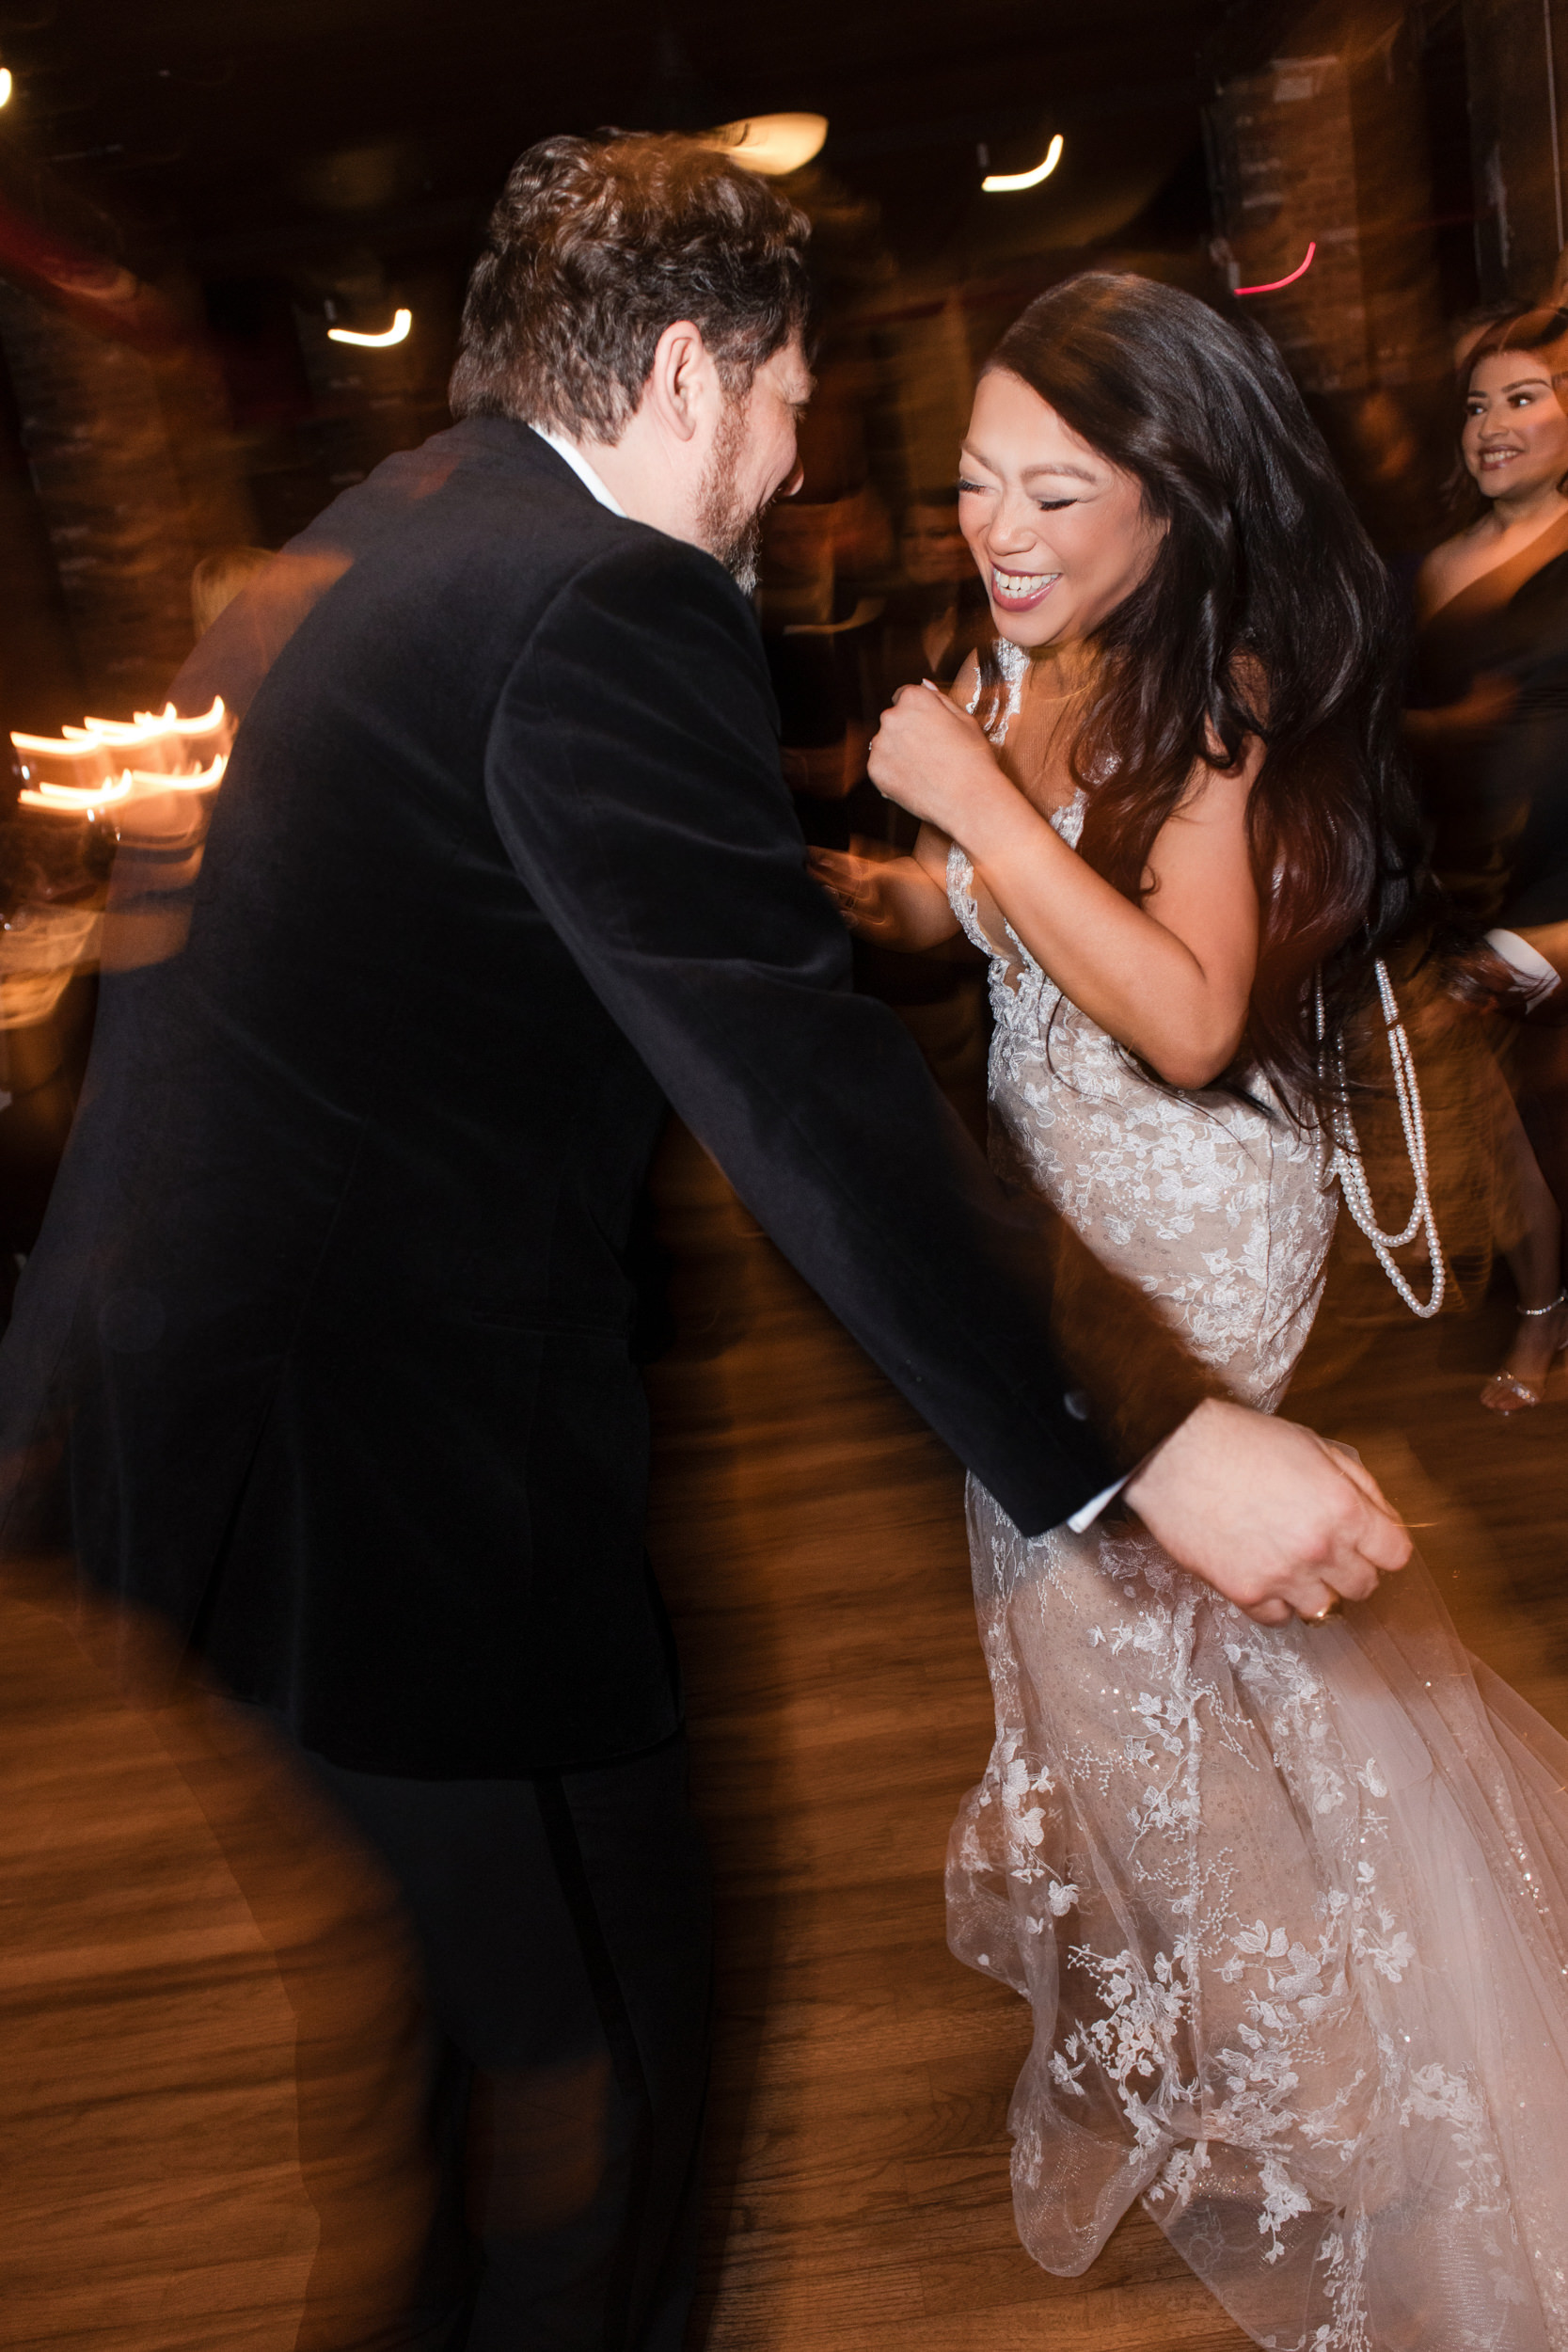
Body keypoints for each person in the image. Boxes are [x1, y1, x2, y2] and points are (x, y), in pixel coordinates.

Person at [0, 149, 1409, 2352]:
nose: (791, 460)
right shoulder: (605, 597)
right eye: (785, 406)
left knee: (487, 2066)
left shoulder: (401, 522)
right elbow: (802, 1091)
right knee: (611, 2082)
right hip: (387, 1502)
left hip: (238, 1434)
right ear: (685, 370)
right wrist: (1141, 1444)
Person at [814, 272, 1568, 2352]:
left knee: (1135, 1635)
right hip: (1046, 1216)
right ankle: (1281, 2019)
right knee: (1138, 1657)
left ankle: (1338, 2072)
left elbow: (1178, 1003)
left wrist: (965, 807)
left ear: (1172, 499)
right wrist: (890, 890)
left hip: (1172, 1227)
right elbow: (1011, 923)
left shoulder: (1205, 701)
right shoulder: (1011, 655)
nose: (1002, 526)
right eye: (974, 483)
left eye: (1059, 489)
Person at [1409, 307, 1568, 1407]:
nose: (1491, 426)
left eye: (1521, 398)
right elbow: (1410, 730)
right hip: (1478, 873)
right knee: (1501, 1123)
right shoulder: (1433, 568)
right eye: (1475, 406)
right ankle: (1540, 1308)